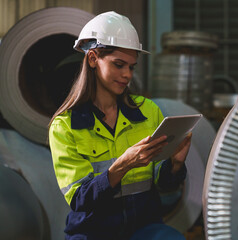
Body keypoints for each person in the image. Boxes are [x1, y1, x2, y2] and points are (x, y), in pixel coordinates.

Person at [48, 11, 191, 240]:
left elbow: (164, 184)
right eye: (118, 65)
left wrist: (175, 165)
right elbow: (80, 199)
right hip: (92, 232)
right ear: (93, 59)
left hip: (144, 229)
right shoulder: (65, 126)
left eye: (131, 67)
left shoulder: (147, 112)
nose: (127, 75)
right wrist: (122, 166)